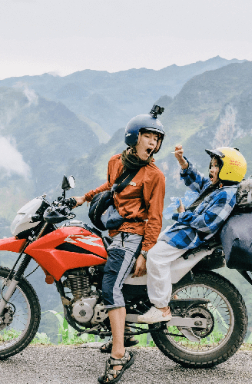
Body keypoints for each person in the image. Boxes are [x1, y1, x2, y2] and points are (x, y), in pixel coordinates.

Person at [72, 111, 165, 384]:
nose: (153, 142)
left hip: (133, 236)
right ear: (133, 137)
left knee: (110, 286)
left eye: (156, 138)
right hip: (115, 232)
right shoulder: (116, 161)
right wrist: (83, 198)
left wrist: (145, 252)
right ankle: (120, 333)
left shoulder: (154, 176)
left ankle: (118, 354)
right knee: (99, 273)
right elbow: (110, 186)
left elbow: (155, 217)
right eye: (148, 135)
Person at [136, 145, 246, 324]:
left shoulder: (227, 194)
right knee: (147, 245)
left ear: (229, 170)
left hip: (189, 236)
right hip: (183, 230)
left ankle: (161, 309)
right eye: (211, 165)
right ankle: (163, 295)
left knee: (155, 257)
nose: (211, 169)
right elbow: (198, 182)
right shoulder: (217, 188)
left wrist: (184, 214)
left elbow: (208, 224)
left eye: (216, 166)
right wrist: (182, 162)